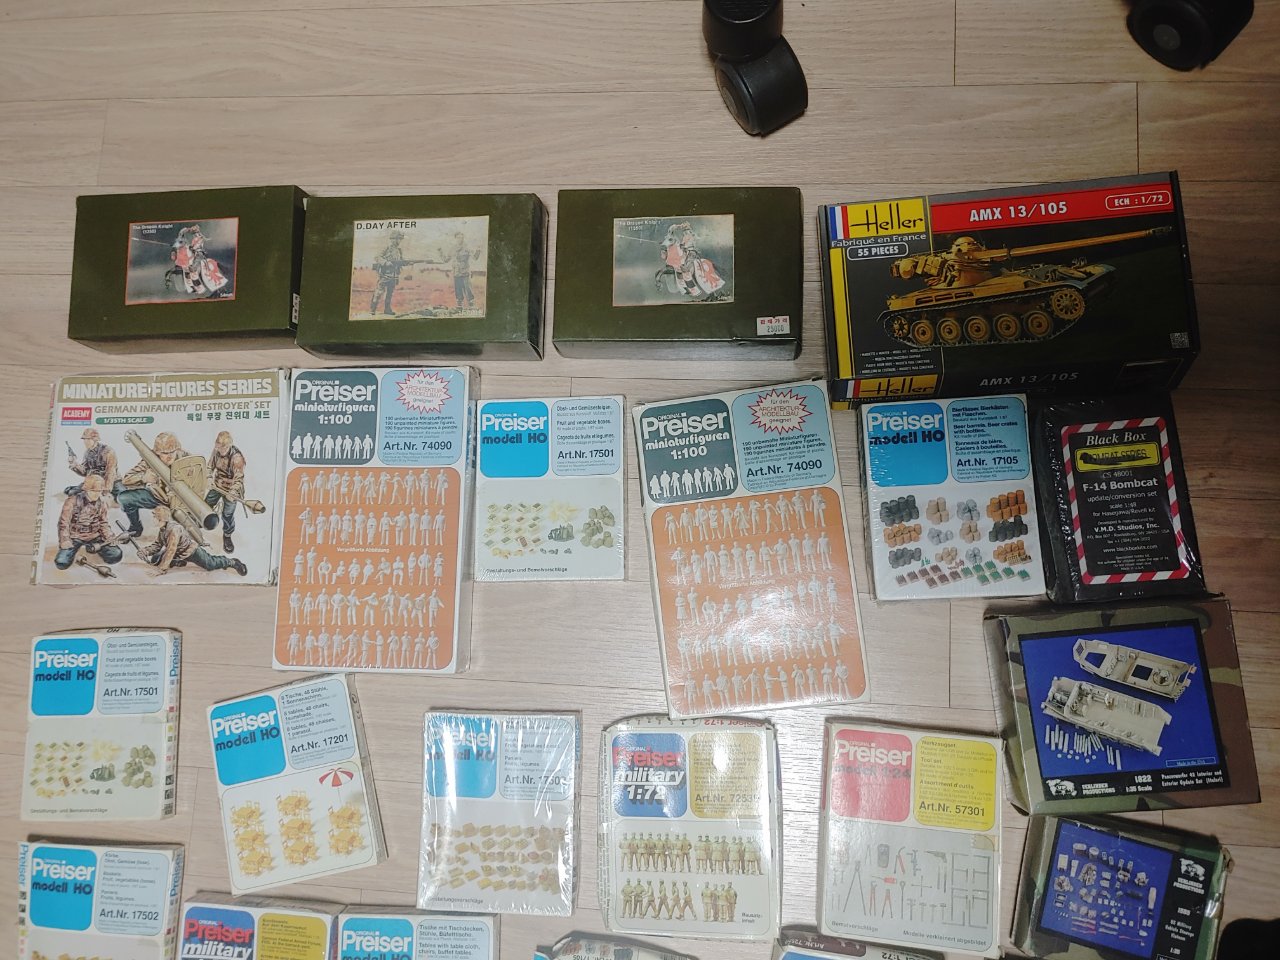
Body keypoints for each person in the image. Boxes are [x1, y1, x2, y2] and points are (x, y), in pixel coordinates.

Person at [117, 431, 190, 537]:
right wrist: (143, 477)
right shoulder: (151, 459)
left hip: (181, 499)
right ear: (158, 452)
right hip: (158, 497)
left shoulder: (185, 457)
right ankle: (135, 527)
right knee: (124, 498)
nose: (170, 456)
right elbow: (126, 480)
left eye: (172, 452)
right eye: (165, 453)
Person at [138, 505, 246, 576]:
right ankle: (179, 561)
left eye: (154, 517)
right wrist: (146, 551)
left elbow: (171, 549)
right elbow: (158, 545)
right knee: (155, 559)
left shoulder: (174, 529)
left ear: (161, 518)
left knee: (210, 564)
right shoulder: (163, 529)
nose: (152, 519)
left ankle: (232, 562)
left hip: (191, 552)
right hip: (178, 552)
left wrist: (161, 569)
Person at [55, 474, 123, 570]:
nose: (97, 494)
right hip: (75, 537)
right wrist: (65, 540)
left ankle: (91, 548)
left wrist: (110, 537)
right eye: (94, 491)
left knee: (115, 555)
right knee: (61, 563)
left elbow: (103, 523)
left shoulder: (102, 503)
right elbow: (64, 523)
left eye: (99, 491)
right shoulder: (72, 501)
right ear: (86, 489)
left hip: (94, 536)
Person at [206, 430, 247, 552]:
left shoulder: (237, 458)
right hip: (217, 485)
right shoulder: (216, 451)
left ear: (228, 446)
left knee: (227, 515)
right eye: (218, 447)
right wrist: (209, 478)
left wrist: (233, 492)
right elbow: (209, 467)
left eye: (222, 448)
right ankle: (203, 522)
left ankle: (227, 535)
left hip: (231, 489)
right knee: (206, 504)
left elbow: (239, 479)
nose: (219, 450)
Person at [64, 427, 118, 495]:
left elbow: (111, 472)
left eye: (88, 439)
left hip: (110, 481)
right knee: (71, 492)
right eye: (84, 439)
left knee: (119, 495)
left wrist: (106, 489)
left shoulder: (108, 451)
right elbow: (84, 472)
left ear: (95, 439)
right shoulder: (87, 453)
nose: (85, 442)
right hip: (94, 481)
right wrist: (74, 464)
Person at [370, 230, 411, 315]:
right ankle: (372, 310)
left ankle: (387, 309)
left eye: (400, 239)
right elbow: (377, 257)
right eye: (397, 239)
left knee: (389, 293)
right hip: (385, 275)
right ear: (392, 239)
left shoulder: (399, 250)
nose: (399, 241)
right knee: (379, 292)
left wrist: (407, 263)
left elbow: (401, 261)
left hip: (394, 276)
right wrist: (386, 262)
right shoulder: (387, 248)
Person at [440, 231, 480, 309]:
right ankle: (459, 305)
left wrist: (478, 250)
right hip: (456, 272)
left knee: (468, 289)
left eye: (462, 237)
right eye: (458, 237)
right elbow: (445, 260)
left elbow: (475, 258)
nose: (460, 239)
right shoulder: (452, 249)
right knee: (458, 289)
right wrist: (440, 252)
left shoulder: (467, 248)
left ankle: (471, 305)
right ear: (455, 238)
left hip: (465, 272)